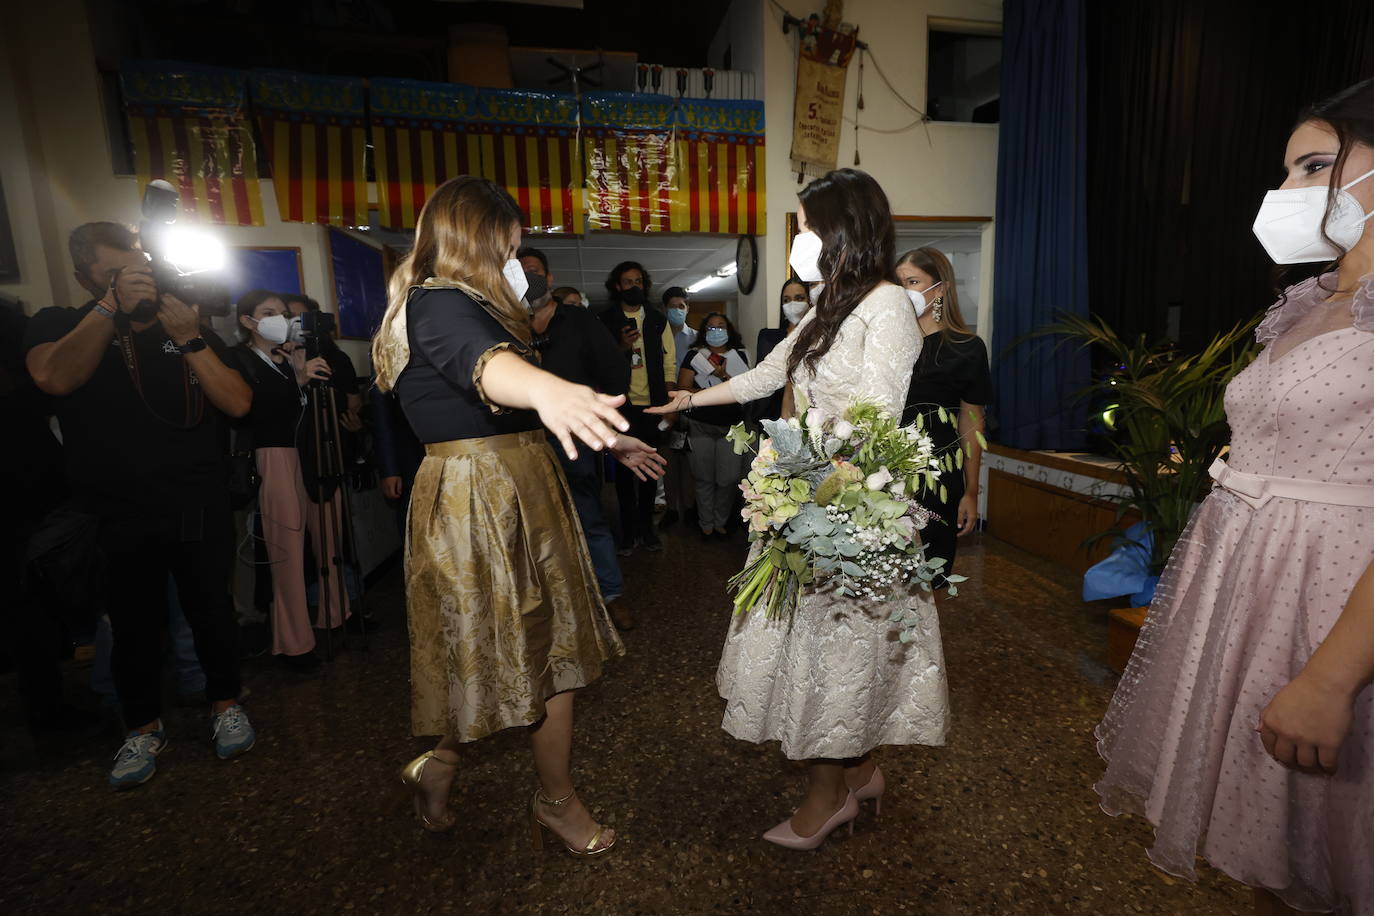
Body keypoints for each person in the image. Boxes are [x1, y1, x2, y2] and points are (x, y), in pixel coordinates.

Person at [1096, 79, 1374, 916]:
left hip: (1334, 610)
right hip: (1254, 594)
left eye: (1316, 166)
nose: (1288, 193)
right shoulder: (1311, 303)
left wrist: (1333, 677)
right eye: (1286, 171)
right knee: (1276, 855)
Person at [649, 168, 945, 848]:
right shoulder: (829, 305)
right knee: (821, 651)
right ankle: (863, 771)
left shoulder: (887, 306)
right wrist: (690, 400)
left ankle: (827, 797)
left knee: (836, 657)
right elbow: (765, 374)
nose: (801, 239)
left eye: (809, 226)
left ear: (844, 228)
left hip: (846, 509)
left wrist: (808, 482)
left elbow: (875, 422)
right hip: (807, 496)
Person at [372, 176, 663, 854]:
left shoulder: (465, 306)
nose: (517, 262)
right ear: (476, 241)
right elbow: (489, 370)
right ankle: (556, 803)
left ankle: (442, 763)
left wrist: (606, 433)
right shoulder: (437, 302)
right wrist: (551, 391)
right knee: (543, 656)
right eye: (509, 247)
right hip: (483, 497)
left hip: (518, 484)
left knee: (516, 655)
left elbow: (508, 378)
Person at [24, 221, 256, 788]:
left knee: (211, 612)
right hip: (117, 509)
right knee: (131, 626)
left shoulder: (181, 322)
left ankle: (226, 706)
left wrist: (193, 338)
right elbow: (54, 377)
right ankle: (142, 728)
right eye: (114, 275)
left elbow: (238, 403)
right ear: (86, 277)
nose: (133, 284)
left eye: (138, 271)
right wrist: (108, 307)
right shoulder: (60, 322)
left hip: (196, 501)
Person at [521, 245, 639, 631]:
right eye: (519, 272)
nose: (528, 278)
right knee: (532, 526)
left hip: (574, 440)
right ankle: (550, 601)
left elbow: (616, 372)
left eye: (535, 271)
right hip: (522, 443)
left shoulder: (579, 321)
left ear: (550, 279)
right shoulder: (504, 324)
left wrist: (596, 416)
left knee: (588, 515)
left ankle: (612, 593)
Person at [232, 289, 351, 673]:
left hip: (313, 453)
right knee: (286, 549)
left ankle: (335, 615)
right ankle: (295, 642)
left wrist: (300, 362)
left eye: (283, 313)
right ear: (248, 322)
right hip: (275, 455)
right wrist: (297, 378)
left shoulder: (291, 356)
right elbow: (251, 409)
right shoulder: (240, 360)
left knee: (328, 538)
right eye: (268, 313)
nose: (279, 319)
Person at [894, 248, 991, 589]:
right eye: (899, 283)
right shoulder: (887, 345)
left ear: (940, 288)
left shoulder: (967, 348)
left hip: (939, 478)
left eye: (913, 281)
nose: (905, 290)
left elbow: (972, 423)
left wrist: (971, 492)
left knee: (929, 578)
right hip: (885, 474)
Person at [598, 261, 677, 554]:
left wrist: (669, 403)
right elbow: (599, 363)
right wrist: (621, 348)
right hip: (621, 406)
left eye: (638, 281)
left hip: (652, 406)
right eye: (627, 282)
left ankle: (647, 530)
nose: (634, 286)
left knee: (649, 471)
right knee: (623, 474)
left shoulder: (658, 319)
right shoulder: (604, 319)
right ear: (617, 287)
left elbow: (670, 363)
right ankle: (628, 533)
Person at [676, 313, 750, 540]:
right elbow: (684, 389)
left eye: (721, 326)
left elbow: (747, 390)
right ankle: (706, 524)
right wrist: (709, 392)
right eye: (711, 328)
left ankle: (721, 522)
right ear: (703, 332)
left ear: (729, 330)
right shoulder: (694, 355)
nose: (716, 331)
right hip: (701, 425)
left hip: (733, 427)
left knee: (728, 478)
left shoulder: (740, 355)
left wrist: (723, 375)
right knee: (703, 477)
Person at [660, 285, 697, 530]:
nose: (677, 311)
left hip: (693, 405)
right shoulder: (657, 336)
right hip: (665, 407)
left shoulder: (696, 337)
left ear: (687, 308)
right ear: (665, 309)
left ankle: (692, 508)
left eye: (681, 306)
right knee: (669, 460)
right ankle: (671, 508)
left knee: (693, 462)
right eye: (672, 307)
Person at [753, 278, 811, 423]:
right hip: (771, 413)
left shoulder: (817, 338)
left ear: (809, 301)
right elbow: (762, 376)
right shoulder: (769, 337)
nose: (792, 304)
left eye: (799, 298)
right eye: (787, 300)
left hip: (808, 414)